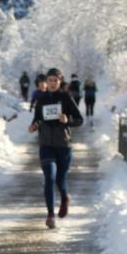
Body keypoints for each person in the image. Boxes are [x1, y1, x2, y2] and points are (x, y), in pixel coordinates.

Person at [28, 68, 83, 229]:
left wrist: (67, 120)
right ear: (46, 82)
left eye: (55, 80)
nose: (52, 83)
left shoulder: (66, 98)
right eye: (50, 80)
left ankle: (65, 198)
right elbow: (38, 119)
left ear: (60, 81)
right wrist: (33, 126)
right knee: (49, 178)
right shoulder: (42, 99)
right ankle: (50, 215)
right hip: (46, 145)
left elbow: (79, 120)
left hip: (63, 145)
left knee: (60, 180)